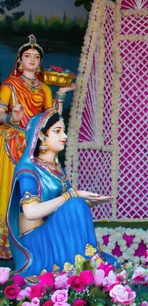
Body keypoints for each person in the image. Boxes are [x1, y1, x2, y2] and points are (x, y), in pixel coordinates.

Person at [7, 109, 116, 276]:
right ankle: (87, 265)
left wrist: (88, 202)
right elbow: (31, 212)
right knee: (75, 203)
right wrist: (73, 196)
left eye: (63, 131)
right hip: (36, 242)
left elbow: (64, 208)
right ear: (42, 136)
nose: (64, 136)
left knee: (113, 263)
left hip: (53, 233)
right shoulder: (28, 171)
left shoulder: (56, 169)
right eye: (57, 131)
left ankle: (88, 261)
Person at [0, 35, 75, 259]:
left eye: (36, 56)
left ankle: (36, 237)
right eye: (27, 56)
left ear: (40, 62)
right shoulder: (9, 85)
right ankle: (6, 238)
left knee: (39, 189)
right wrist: (13, 118)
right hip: (13, 142)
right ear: (19, 61)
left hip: (37, 146)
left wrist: (60, 95)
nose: (32, 59)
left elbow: (52, 118)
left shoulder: (44, 88)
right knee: (10, 188)